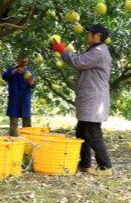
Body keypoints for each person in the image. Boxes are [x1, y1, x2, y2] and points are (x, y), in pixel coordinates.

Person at [49, 24, 113, 176]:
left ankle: (106, 166)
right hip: (89, 97)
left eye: (89, 33)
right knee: (81, 132)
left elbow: (78, 62)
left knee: (93, 133)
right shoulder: (94, 50)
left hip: (94, 98)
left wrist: (62, 51)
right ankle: (85, 163)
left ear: (97, 35)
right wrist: (64, 52)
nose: (87, 35)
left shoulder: (99, 51)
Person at [2, 56, 37, 136]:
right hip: (14, 100)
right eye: (22, 61)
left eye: (25, 62)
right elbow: (4, 76)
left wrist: (31, 81)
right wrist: (16, 71)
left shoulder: (29, 72)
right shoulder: (11, 70)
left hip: (25, 100)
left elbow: (33, 86)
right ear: (17, 60)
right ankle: (14, 141)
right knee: (14, 124)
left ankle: (27, 141)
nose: (23, 63)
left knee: (27, 124)